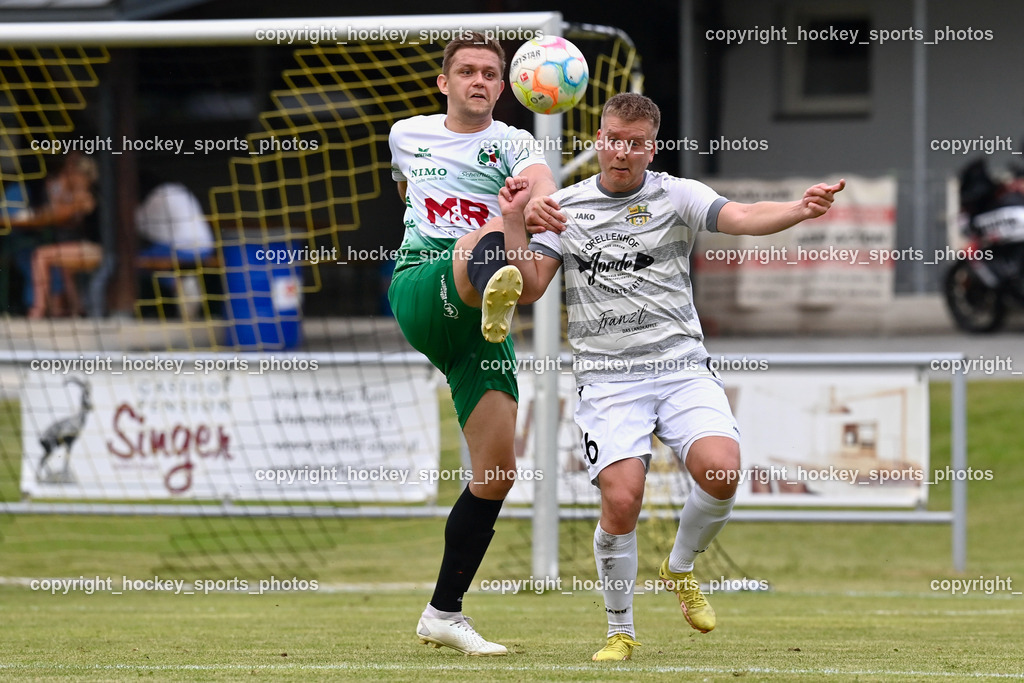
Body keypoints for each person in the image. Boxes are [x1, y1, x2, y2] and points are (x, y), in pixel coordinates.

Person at [501, 93, 844, 661]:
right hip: (609, 379)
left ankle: (679, 566)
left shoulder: (675, 194)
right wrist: (514, 221)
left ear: (650, 147)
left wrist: (798, 209)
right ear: (600, 141)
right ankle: (620, 630)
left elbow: (740, 217)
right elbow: (531, 286)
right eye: (613, 138)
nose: (622, 152)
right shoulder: (563, 207)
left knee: (722, 471)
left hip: (681, 368)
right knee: (623, 499)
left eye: (634, 143)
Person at [386, 32, 564, 656]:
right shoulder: (406, 133)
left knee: (495, 472)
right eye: (466, 71)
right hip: (424, 281)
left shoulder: (515, 143)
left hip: (482, 313)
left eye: (491, 73)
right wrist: (508, 219)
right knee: (472, 240)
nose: (479, 81)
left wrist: (530, 207)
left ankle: (443, 612)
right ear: (444, 83)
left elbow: (541, 182)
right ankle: (489, 287)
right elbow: (407, 195)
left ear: (505, 85)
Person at [4, 152, 100, 318]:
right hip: (69, 248)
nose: (70, 175)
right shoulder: (60, 189)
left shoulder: (85, 197)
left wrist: (50, 211)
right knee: (52, 261)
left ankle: (37, 311)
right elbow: (54, 210)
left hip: (94, 249)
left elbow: (58, 215)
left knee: (41, 256)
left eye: (76, 173)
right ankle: (68, 312)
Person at [135, 171, 215, 319]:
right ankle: (185, 284)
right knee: (155, 259)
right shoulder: (181, 190)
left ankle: (178, 285)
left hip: (183, 249)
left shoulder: (157, 195)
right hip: (207, 248)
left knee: (134, 262)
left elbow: (138, 225)